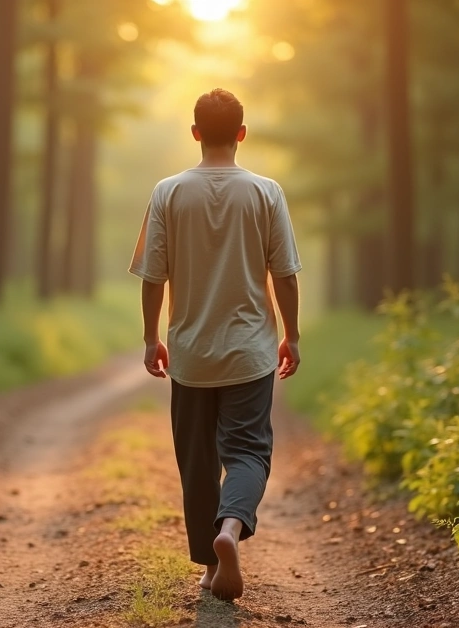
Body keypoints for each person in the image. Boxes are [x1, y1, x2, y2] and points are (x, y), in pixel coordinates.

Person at [128, 88, 302, 601]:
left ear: (196, 132)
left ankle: (209, 563)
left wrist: (149, 338)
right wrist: (291, 335)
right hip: (249, 352)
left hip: (190, 353)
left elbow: (152, 276)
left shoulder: (168, 192)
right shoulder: (266, 192)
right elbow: (286, 274)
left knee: (197, 458)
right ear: (242, 134)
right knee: (248, 451)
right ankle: (229, 530)